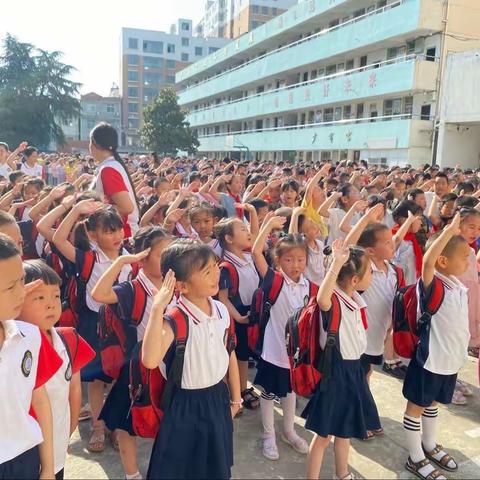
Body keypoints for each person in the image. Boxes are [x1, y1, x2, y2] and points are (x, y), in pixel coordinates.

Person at [142, 241, 241, 479]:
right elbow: (149, 360)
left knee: (214, 467)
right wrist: (157, 309)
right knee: (180, 469)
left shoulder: (220, 310)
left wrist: (236, 399)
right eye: (207, 272)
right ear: (182, 286)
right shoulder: (175, 318)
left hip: (217, 397)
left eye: (215, 266)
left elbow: (230, 353)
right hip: (185, 405)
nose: (216, 274)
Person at [92, 226, 173, 480]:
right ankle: (132, 473)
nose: (169, 261)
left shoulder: (177, 283)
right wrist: (122, 261)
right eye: (162, 255)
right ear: (143, 255)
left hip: (172, 366)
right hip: (139, 370)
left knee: (167, 420)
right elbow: (99, 294)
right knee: (129, 425)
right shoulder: (134, 289)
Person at [52, 200, 132, 453]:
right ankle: (98, 426)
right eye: (109, 231)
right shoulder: (88, 258)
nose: (117, 236)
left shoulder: (130, 258)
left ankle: (117, 425)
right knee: (96, 379)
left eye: (118, 229)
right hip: (93, 324)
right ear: (92, 234)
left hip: (122, 325)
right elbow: (58, 238)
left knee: (121, 378)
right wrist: (75, 209)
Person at [303, 239, 381, 480]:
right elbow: (322, 298)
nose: (373, 274)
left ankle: (343, 474)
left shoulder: (356, 301)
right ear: (355, 280)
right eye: (370, 271)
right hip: (335, 374)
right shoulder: (333, 300)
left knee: (344, 431)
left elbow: (351, 250)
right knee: (323, 436)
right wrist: (336, 263)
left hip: (353, 372)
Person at [402, 213, 470, 480]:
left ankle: (429, 444)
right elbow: (428, 261)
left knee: (431, 402)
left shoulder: (455, 285)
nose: (469, 259)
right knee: (416, 406)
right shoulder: (433, 284)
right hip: (430, 360)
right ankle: (415, 458)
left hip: (448, 361)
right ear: (443, 260)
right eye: (464, 256)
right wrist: (449, 230)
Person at [20, 260, 95, 480]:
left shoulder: (68, 338)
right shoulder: (15, 346)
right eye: (40, 298)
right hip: (25, 453)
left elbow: (74, 394)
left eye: (55, 295)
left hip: (57, 446)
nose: (51, 304)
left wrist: (67, 434)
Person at [0, 233, 62, 480]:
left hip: (24, 456)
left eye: (22, 282)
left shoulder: (29, 336)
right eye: (9, 287)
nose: (20, 294)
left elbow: (39, 399)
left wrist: (48, 468)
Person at [251, 216, 312, 460]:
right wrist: (268, 225)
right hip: (273, 351)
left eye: (300, 259)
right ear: (278, 260)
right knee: (268, 393)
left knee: (290, 393)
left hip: (295, 357)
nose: (295, 265)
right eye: (289, 259)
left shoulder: (310, 287)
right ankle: (269, 435)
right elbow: (256, 251)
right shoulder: (275, 281)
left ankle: (289, 430)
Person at [216, 217, 260, 411]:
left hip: (250, 312)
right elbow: (223, 298)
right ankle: (239, 391)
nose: (248, 232)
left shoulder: (249, 257)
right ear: (229, 238)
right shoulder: (225, 267)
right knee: (238, 356)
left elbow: (257, 239)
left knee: (244, 355)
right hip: (238, 315)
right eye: (242, 229)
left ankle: (241, 388)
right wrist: (239, 318)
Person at [90, 123, 140, 238]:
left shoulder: (108, 169)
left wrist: (93, 206)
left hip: (122, 234)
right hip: (117, 233)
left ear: (94, 143)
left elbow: (126, 208)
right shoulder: (111, 165)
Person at [392, 200, 424, 285]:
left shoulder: (411, 238)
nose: (421, 223)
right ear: (404, 219)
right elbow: (396, 241)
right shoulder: (396, 238)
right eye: (419, 219)